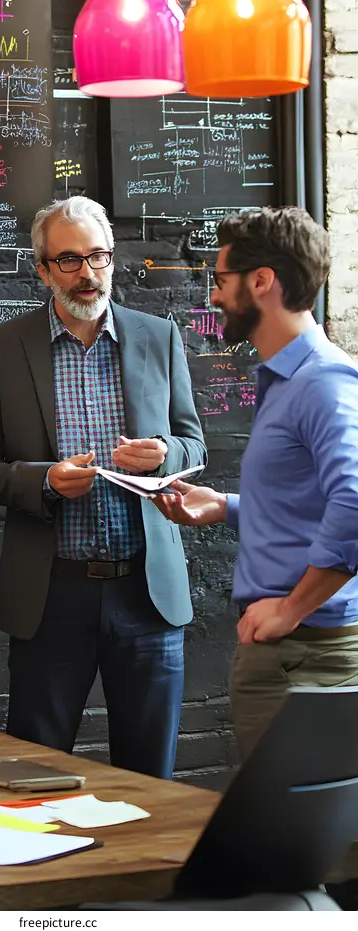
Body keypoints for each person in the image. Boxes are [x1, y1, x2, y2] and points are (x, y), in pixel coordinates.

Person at [0, 196, 206, 778]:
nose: (87, 274)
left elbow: (196, 445)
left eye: (98, 257)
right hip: (51, 596)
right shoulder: (4, 348)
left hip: (146, 594)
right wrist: (43, 480)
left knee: (151, 781)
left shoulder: (158, 335)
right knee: (34, 777)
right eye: (69, 261)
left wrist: (168, 452)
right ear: (42, 270)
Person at [154, 206, 358, 761]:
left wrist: (291, 608)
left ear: (261, 281)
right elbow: (310, 503)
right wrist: (224, 507)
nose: (214, 296)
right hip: (293, 655)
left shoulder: (321, 381)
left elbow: (355, 501)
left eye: (221, 280)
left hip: (306, 655)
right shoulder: (286, 378)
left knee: (307, 843)